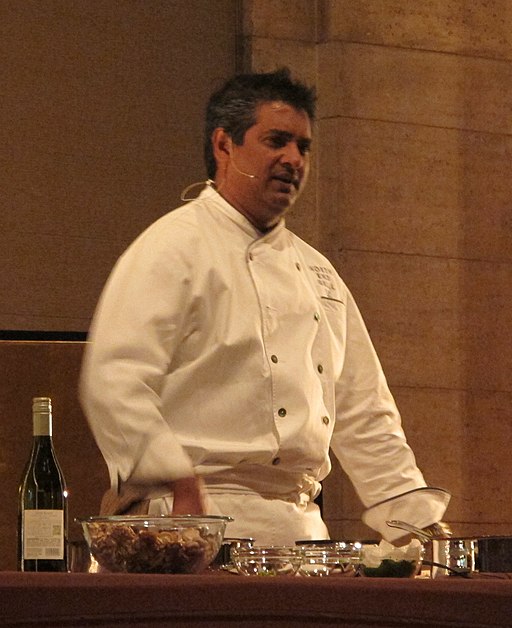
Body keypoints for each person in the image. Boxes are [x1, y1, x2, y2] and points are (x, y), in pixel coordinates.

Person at [80, 68, 450, 545]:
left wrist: (414, 524)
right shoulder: (172, 247)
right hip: (187, 521)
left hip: (300, 529)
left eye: (304, 147)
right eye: (277, 140)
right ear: (224, 145)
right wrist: (179, 479)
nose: (293, 159)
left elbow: (365, 410)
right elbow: (114, 380)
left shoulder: (319, 274)